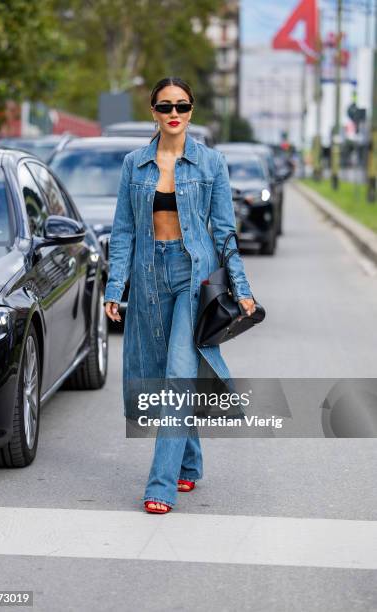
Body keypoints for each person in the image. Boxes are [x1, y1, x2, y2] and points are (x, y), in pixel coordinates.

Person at [104, 76, 256, 514]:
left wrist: (242, 289)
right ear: (153, 111)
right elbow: (124, 232)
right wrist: (116, 287)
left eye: (183, 106)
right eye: (166, 106)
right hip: (148, 277)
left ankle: (160, 486)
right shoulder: (134, 164)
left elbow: (225, 233)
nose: (175, 114)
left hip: (194, 279)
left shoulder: (211, 163)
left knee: (177, 378)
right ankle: (189, 462)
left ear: (192, 112)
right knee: (155, 375)